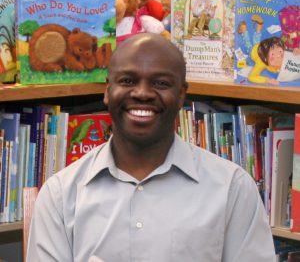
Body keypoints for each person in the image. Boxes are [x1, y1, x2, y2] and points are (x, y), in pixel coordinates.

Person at [27, 33, 276, 262]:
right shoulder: (60, 196)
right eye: (127, 80)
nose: (143, 93)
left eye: (160, 83)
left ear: (181, 95)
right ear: (107, 90)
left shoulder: (232, 189)